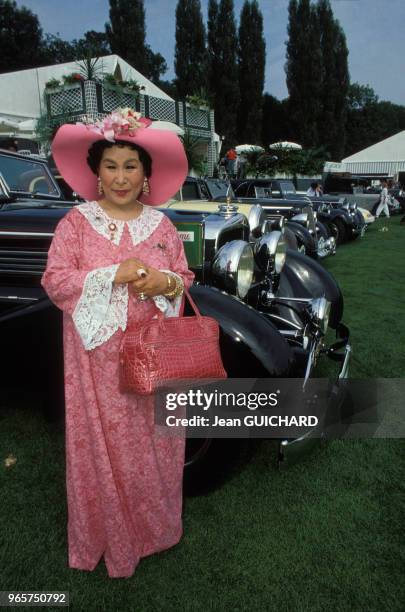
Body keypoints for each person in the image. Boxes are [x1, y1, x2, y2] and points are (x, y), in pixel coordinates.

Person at [41, 108, 194, 578]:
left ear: (147, 173)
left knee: (154, 443)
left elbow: (185, 277)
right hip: (95, 370)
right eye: (112, 165)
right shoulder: (75, 224)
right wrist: (112, 275)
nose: (121, 176)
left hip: (155, 359)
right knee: (103, 448)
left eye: (131, 166)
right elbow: (56, 280)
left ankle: (155, 529)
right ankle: (110, 534)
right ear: (96, 172)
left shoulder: (163, 227)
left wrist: (165, 283)